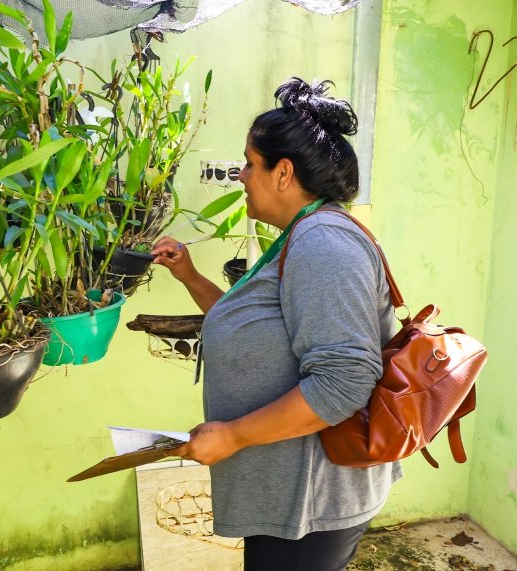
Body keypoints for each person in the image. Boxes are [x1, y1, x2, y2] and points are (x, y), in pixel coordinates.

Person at [150, 77, 402, 571]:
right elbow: (255, 324)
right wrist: (189, 276)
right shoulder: (300, 236)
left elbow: (344, 381)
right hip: (290, 494)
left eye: (249, 162)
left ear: (283, 173)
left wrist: (234, 436)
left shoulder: (323, 244)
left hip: (312, 503)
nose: (241, 175)